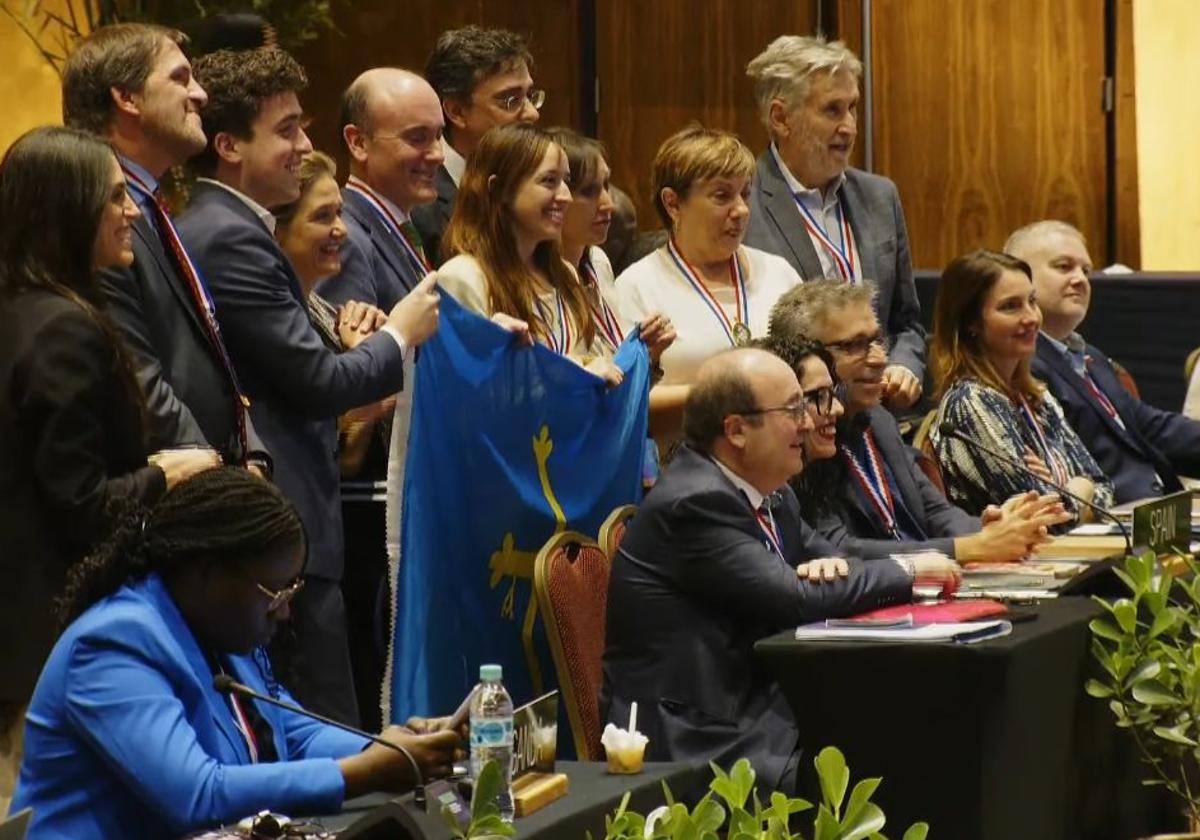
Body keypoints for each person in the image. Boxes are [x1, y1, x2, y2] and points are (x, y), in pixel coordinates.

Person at [177, 46, 440, 724]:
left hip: (295, 526)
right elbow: (318, 382)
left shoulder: (230, 227)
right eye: (288, 129)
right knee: (319, 731)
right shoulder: (230, 235)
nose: (304, 145)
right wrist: (399, 335)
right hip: (282, 526)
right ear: (229, 145)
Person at [10, 468, 461, 840]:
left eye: (292, 590)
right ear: (208, 573)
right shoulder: (112, 645)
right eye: (274, 592)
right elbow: (197, 796)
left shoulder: (218, 628)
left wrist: (394, 748)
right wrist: (364, 772)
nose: (284, 612)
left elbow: (293, 732)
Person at [601, 347, 960, 792]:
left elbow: (833, 561)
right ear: (735, 430)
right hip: (697, 736)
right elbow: (794, 597)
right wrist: (909, 570)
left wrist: (841, 572)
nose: (808, 422)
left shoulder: (771, 493)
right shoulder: (695, 502)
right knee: (891, 758)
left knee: (910, 722)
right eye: (792, 409)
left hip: (760, 706)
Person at [0, 126, 220, 813]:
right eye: (116, 197)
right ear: (69, 209)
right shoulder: (63, 328)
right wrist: (167, 475)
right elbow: (82, 505)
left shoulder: (20, 313)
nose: (132, 211)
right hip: (48, 642)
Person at [63, 23, 270, 471]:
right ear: (128, 99)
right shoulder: (97, 222)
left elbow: (210, 354)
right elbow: (141, 380)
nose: (200, 96)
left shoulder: (154, 210)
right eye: (180, 78)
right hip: (175, 494)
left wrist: (253, 454)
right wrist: (220, 478)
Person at [763, 285, 1065, 561]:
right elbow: (837, 547)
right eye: (855, 345)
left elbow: (937, 513)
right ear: (808, 354)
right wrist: (971, 547)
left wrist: (995, 527)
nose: (880, 359)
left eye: (877, 341)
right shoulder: (800, 437)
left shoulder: (879, 420)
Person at [743, 34, 925, 411]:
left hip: (880, 413)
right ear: (781, 118)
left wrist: (906, 366)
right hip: (796, 418)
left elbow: (908, 323)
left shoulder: (880, 197)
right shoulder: (745, 206)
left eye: (853, 108)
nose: (850, 127)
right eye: (832, 110)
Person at [614, 125, 802, 443]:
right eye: (721, 196)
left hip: (779, 469)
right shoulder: (636, 286)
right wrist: (729, 395)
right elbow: (625, 405)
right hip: (684, 472)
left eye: (745, 193)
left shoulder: (779, 273)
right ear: (673, 203)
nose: (741, 210)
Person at [1007, 220, 1200, 503]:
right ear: (1019, 278)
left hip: (1162, 514)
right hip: (1106, 521)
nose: (1080, 279)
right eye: (1063, 267)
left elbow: (1150, 427)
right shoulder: (1020, 365)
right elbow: (1062, 464)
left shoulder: (1091, 357)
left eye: (1085, 270)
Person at [928, 250, 1114, 518]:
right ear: (971, 323)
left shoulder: (1036, 395)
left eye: (1032, 301)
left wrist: (1070, 489)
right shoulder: (970, 403)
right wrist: (1078, 487)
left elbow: (1104, 487)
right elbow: (1046, 520)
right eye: (1010, 307)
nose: (1031, 318)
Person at [436, 122, 622, 383]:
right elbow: (464, 391)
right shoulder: (462, 279)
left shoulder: (565, 273)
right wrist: (575, 371)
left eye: (566, 181)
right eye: (549, 181)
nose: (566, 196)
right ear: (499, 189)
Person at [275, 150, 393, 478]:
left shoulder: (325, 310)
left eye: (339, 213)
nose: (341, 229)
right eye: (323, 216)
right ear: (277, 229)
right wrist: (370, 355)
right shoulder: (284, 319)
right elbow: (342, 459)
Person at [545, 126, 675, 364]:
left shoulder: (597, 261)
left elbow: (616, 370)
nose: (608, 205)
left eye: (606, 185)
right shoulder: (533, 280)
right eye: (589, 191)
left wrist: (648, 358)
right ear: (556, 196)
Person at [414, 25, 542, 265]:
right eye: (511, 100)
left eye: (531, 96)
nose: (532, 113)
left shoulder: (536, 190)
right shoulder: (421, 204)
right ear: (456, 111)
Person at [323, 67, 445, 312]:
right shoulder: (346, 238)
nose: (438, 155)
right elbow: (357, 349)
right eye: (417, 138)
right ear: (359, 142)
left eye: (439, 135)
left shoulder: (404, 225)